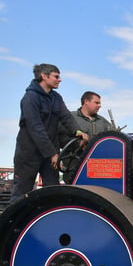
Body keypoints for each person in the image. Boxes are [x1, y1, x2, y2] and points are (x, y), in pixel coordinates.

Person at [11, 64, 88, 203]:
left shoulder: (56, 98)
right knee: (21, 193)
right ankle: (15, 224)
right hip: (29, 154)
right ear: (44, 76)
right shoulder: (30, 98)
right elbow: (36, 128)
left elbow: (66, 117)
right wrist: (52, 153)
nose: (60, 80)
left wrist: (78, 132)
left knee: (53, 191)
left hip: (49, 154)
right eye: (56, 76)